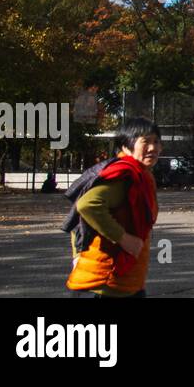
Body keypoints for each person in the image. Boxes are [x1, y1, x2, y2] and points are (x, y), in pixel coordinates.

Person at [65, 117, 161, 298]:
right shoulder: (123, 176)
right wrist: (124, 238)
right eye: (145, 141)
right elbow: (86, 205)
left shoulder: (141, 174)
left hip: (126, 283)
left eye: (156, 141)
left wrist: (76, 253)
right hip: (104, 285)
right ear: (126, 145)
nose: (153, 148)